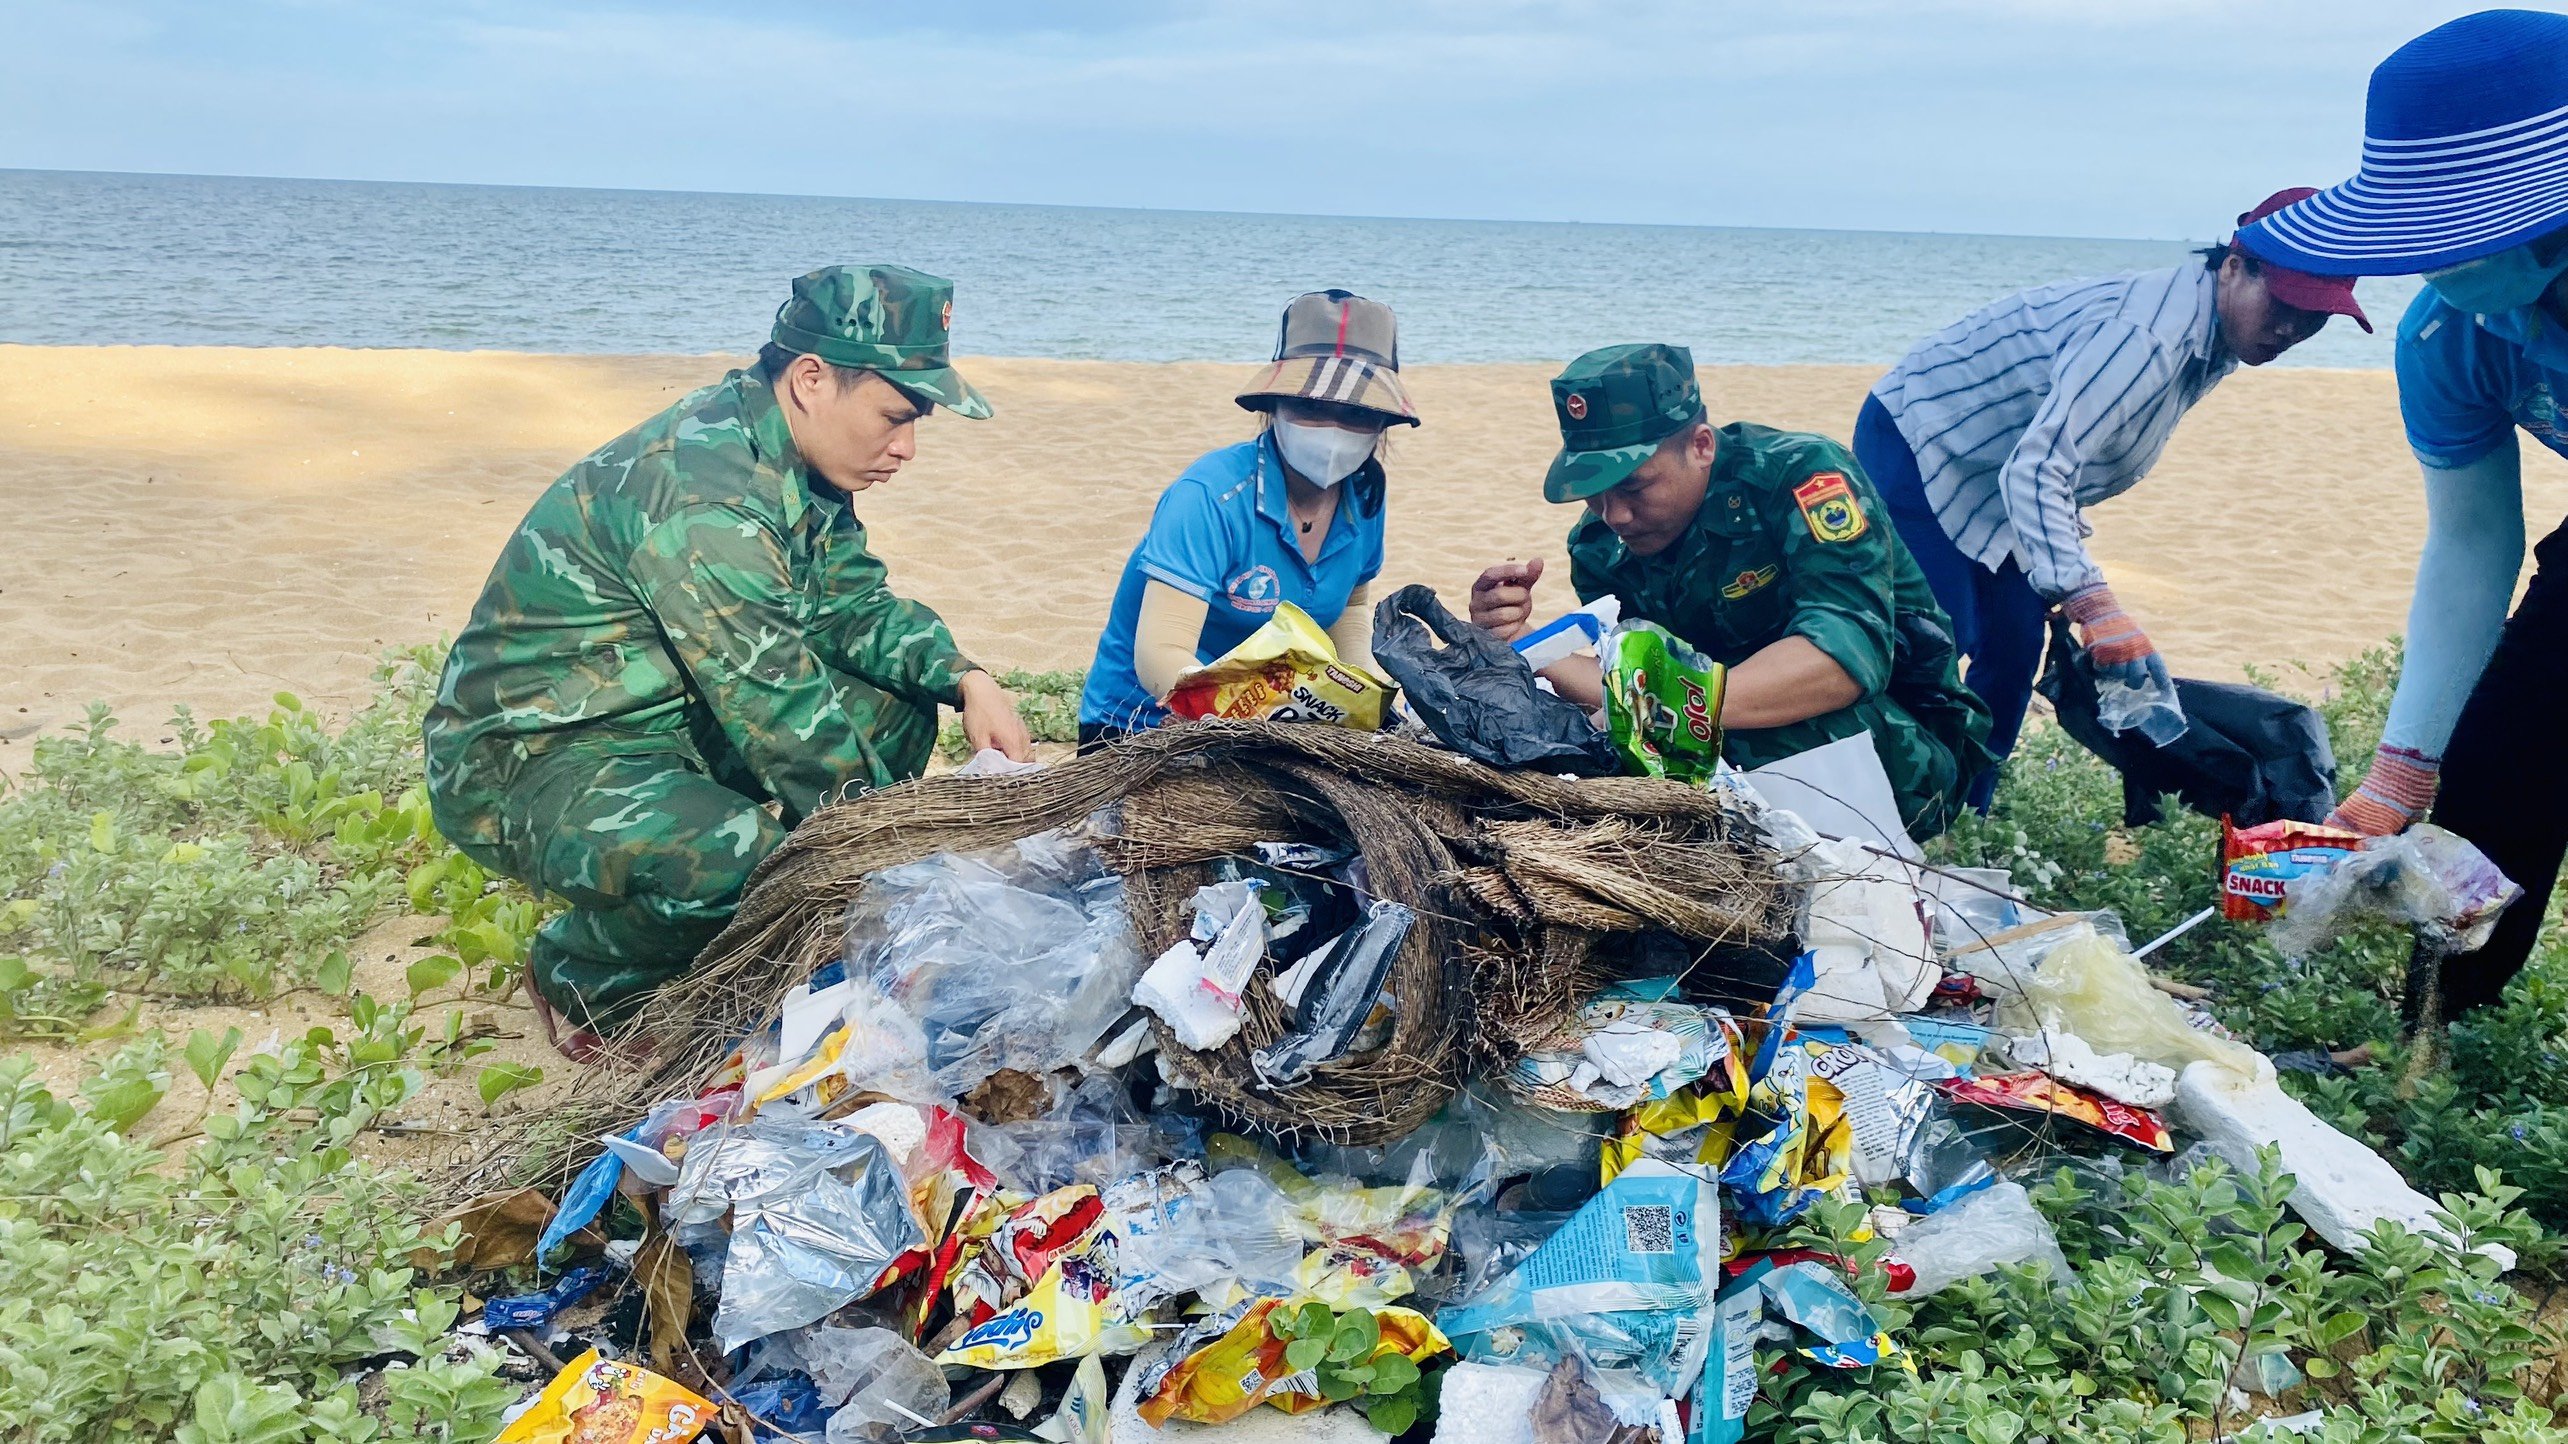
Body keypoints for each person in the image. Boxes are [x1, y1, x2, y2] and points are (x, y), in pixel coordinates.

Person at [425, 265, 1034, 1059]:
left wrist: (966, 677)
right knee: (735, 857)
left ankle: (791, 894)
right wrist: (895, 872)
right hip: (533, 759)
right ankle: (578, 977)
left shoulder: (792, 457)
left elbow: (850, 605)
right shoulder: (705, 497)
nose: (907, 447)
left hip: (658, 722)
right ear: (813, 379)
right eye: (894, 415)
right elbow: (784, 715)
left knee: (897, 694)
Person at [2239, 8, 2568, 1024]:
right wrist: (2400, 769)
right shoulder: (2451, 336)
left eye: (2464, 231)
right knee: (2498, 759)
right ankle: (2434, 1043)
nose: (2437, 264)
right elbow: (2472, 542)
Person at [1856, 189, 2369, 809]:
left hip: (2003, 467)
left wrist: (2059, 562)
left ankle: (1961, 815)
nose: (2291, 329)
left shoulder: (2219, 332)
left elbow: (2058, 447)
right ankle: (1879, 812)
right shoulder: (2150, 335)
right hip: (1922, 433)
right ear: (2234, 266)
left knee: (2014, 649)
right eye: (2284, 303)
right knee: (1936, 640)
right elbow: (2041, 464)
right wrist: (2090, 599)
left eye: (2314, 318)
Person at [1469, 343, 1995, 840]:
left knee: (1666, 755)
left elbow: (1843, 661)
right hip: (1728, 731)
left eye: (1633, 487)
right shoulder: (1600, 546)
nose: (1615, 515)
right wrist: (1527, 643)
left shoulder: (1799, 476)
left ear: (1701, 446)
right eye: (1592, 495)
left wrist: (1674, 709)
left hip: (1899, 737)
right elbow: (1629, 679)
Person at [1078, 291, 1416, 744]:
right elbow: (1161, 652)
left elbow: (1350, 609)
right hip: (1142, 724)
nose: (1332, 429)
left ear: (1381, 424)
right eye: (1310, 406)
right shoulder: (1208, 497)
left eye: (1356, 413)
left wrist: (1364, 696)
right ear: (1274, 406)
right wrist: (1231, 720)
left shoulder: (1364, 496)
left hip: (1280, 724)